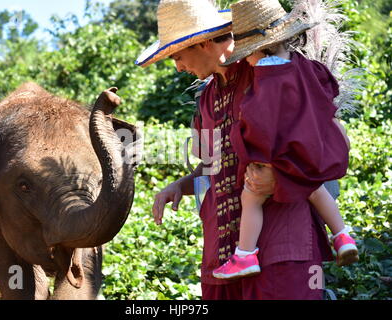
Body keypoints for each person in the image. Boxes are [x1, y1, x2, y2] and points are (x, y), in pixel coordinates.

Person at [137, 0, 335, 300]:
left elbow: (322, 144)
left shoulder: (270, 71)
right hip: (222, 258)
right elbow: (213, 166)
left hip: (284, 247)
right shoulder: (206, 100)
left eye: (178, 56)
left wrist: (281, 178)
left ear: (203, 44)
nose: (178, 67)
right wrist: (181, 185)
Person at [212, 0, 359, 280]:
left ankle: (244, 254)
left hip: (282, 153)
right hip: (309, 149)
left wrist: (245, 144)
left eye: (247, 55)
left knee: (251, 195)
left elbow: (259, 120)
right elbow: (328, 93)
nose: (246, 61)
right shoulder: (306, 66)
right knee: (315, 188)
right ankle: (342, 236)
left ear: (255, 49)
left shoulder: (267, 77)